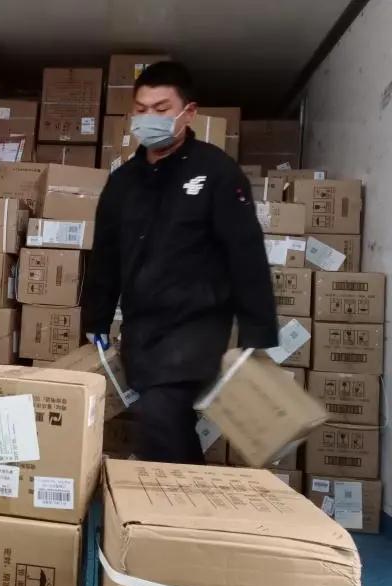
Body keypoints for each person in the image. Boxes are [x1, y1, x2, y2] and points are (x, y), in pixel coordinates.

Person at [81, 61, 278, 464]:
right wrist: (95, 320)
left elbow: (246, 253)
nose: (149, 118)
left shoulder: (216, 172)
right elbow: (106, 256)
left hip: (197, 326)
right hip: (142, 327)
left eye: (161, 109)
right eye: (141, 109)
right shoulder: (123, 182)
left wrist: (256, 331)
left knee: (160, 411)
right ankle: (186, 494)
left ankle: (175, 499)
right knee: (162, 423)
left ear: (188, 113)